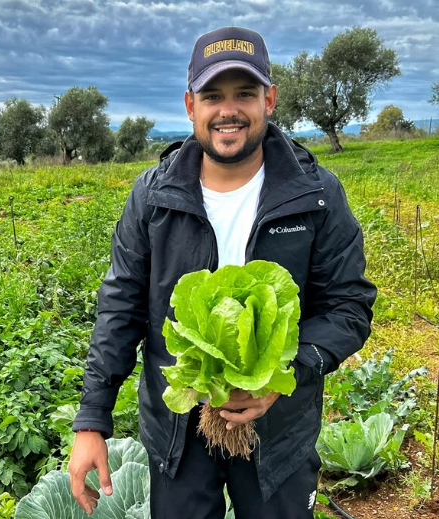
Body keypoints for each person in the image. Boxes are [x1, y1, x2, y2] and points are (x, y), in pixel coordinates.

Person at [68, 26, 377, 519]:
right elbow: (119, 308)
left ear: (269, 99)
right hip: (180, 428)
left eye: (245, 94)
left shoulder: (316, 195)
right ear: (191, 105)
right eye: (213, 95)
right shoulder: (153, 197)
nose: (228, 110)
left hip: (278, 427)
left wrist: (281, 378)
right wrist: (91, 421)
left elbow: (348, 305)